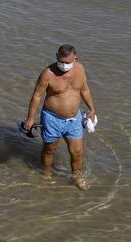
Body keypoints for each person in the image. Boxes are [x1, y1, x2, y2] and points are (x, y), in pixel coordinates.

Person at [21, 45, 98, 190]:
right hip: (51, 118)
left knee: (77, 152)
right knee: (50, 149)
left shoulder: (80, 69)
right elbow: (37, 96)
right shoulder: (48, 74)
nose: (64, 66)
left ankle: (77, 177)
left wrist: (91, 109)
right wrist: (30, 118)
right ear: (56, 56)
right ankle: (46, 173)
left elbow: (85, 89)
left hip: (74, 119)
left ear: (75, 58)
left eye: (68, 63)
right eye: (61, 61)